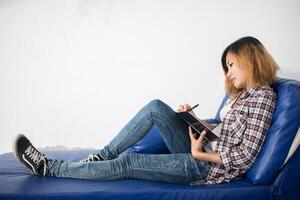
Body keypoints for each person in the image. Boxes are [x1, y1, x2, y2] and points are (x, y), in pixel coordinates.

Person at [12, 36, 279, 185]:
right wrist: (195, 121)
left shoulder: (263, 97)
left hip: (206, 168)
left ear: (250, 59)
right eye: (227, 66)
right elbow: (227, 135)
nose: (228, 72)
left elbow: (244, 158)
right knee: (155, 108)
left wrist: (198, 153)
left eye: (232, 64)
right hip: (205, 150)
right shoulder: (242, 95)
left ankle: (49, 167)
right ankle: (100, 157)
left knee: (128, 163)